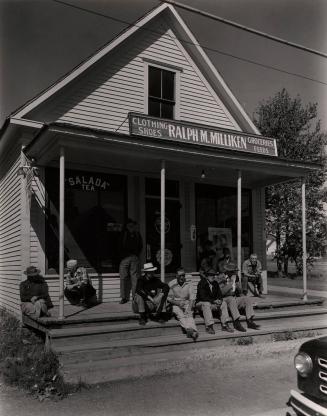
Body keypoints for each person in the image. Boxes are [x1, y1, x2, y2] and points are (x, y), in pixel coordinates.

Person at [220, 263, 260, 330]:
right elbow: (221, 292)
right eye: (233, 271)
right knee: (231, 299)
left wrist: (239, 288)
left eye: (235, 271)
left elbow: (240, 293)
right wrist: (231, 283)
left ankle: (249, 321)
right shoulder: (221, 277)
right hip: (224, 299)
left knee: (246, 299)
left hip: (233, 298)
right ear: (228, 271)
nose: (235, 273)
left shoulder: (236, 277)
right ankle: (236, 323)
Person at [195, 269, 234, 334]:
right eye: (211, 275)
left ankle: (225, 325)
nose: (213, 277)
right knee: (206, 304)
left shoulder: (215, 283)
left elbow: (219, 295)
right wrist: (213, 301)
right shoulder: (202, 283)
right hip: (201, 303)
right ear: (207, 276)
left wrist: (219, 301)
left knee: (223, 303)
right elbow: (203, 297)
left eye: (214, 275)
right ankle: (209, 326)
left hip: (212, 303)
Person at [168, 268, 199, 341]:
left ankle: (192, 331)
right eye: (180, 275)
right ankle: (192, 331)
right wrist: (177, 303)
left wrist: (189, 308)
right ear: (176, 276)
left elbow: (192, 297)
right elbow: (168, 298)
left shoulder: (189, 283)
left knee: (189, 314)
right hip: (176, 303)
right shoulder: (171, 284)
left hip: (187, 302)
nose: (182, 277)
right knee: (180, 314)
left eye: (183, 275)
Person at [119, 219, 143, 304]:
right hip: (124, 258)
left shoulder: (137, 234)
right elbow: (118, 245)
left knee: (134, 278)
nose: (131, 227)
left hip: (134, 258)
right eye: (129, 225)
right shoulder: (123, 234)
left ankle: (134, 297)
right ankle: (123, 297)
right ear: (127, 226)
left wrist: (136, 255)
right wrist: (121, 256)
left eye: (132, 225)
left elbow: (140, 246)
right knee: (123, 277)